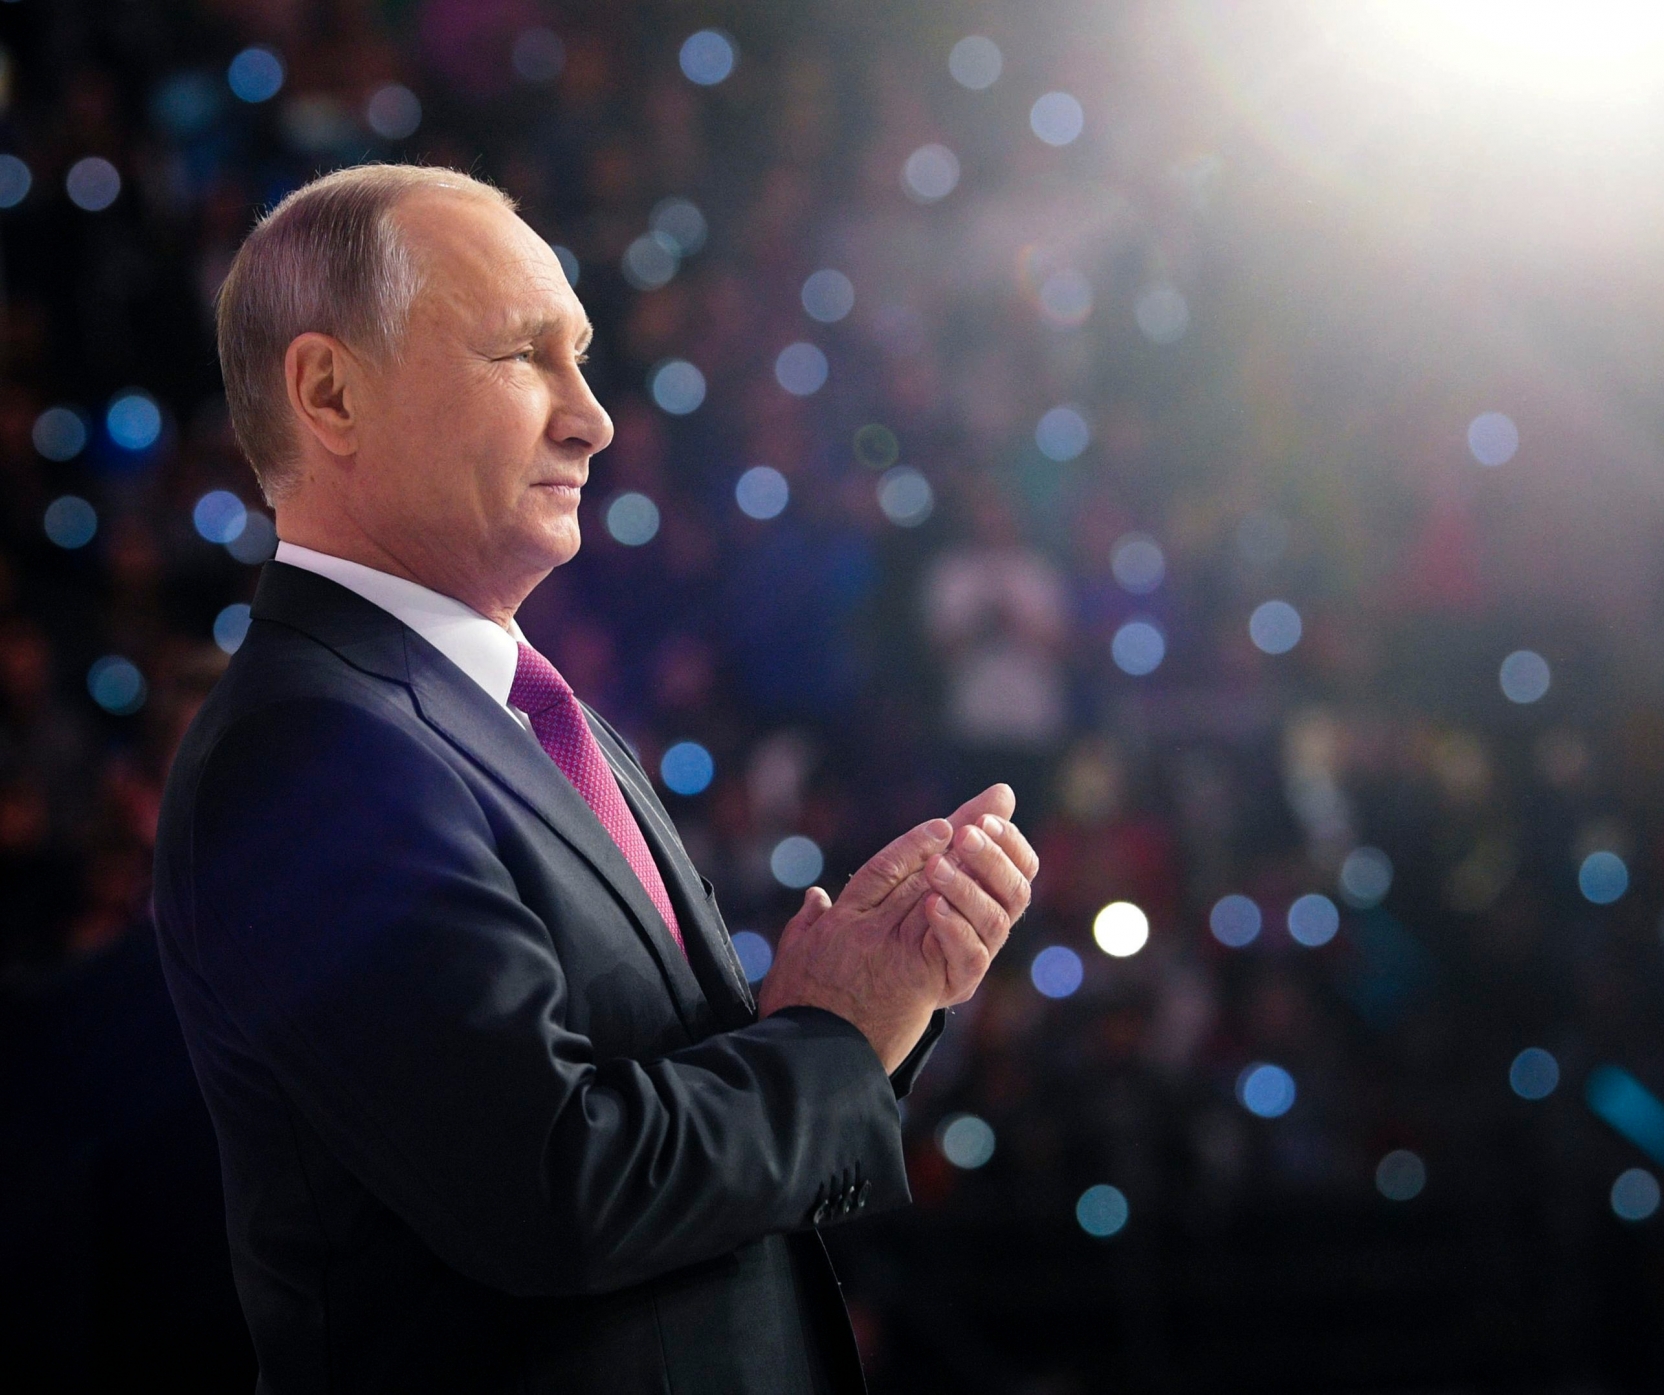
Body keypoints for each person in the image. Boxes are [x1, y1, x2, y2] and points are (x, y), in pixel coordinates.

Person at [152, 164, 1038, 1394]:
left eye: (581, 358)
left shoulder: (530, 717)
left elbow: (663, 1109)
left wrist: (862, 1004)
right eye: (523, 356)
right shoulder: (308, 750)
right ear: (329, 392)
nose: (593, 418)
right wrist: (833, 1042)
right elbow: (556, 1185)